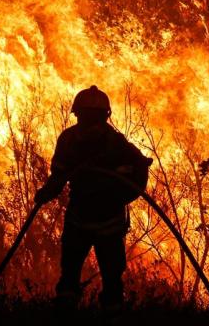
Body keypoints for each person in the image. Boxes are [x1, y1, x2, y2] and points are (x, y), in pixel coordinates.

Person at [34, 85, 152, 313]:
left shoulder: (116, 144)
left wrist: (121, 192)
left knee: (112, 278)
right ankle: (66, 311)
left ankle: (112, 313)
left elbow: (140, 168)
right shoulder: (68, 140)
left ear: (104, 117)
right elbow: (59, 175)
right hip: (79, 217)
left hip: (109, 220)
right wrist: (47, 192)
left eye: (94, 117)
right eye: (85, 117)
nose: (89, 123)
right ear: (78, 116)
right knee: (69, 274)